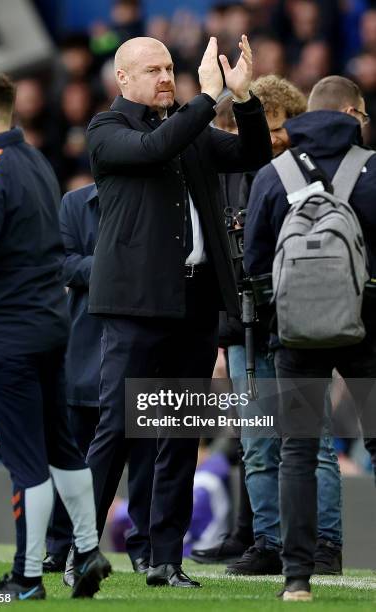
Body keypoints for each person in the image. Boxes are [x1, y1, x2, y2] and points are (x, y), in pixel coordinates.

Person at [85, 35, 272, 587]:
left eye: (170, 68)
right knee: (117, 428)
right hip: (136, 305)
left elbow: (251, 154)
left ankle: (166, 559)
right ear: (123, 79)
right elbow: (152, 150)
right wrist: (205, 101)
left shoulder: (188, 130)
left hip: (195, 302)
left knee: (179, 437)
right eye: (153, 70)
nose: (166, 77)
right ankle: (75, 546)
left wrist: (243, 100)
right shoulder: (105, 130)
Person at [0, 70, 111, 600]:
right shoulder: (34, 158)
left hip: (7, 332)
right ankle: (87, 553)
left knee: (25, 461)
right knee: (62, 448)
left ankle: (27, 576)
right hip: (47, 325)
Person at [191, 77, 342, 576]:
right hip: (243, 326)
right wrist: (221, 332)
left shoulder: (308, 178)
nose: (271, 137)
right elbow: (218, 258)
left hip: (299, 324)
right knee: (258, 444)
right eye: (262, 126)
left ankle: (324, 543)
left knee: (310, 442)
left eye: (279, 126)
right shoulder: (228, 175)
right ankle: (269, 543)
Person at [244, 75, 376, 601]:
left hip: (294, 336)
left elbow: (254, 264)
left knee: (296, 452)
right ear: (350, 114)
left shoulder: (272, 175)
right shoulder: (372, 171)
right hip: (368, 329)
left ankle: (297, 579)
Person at [43, 182, 101, 576]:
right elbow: (59, 263)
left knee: (150, 456)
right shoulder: (76, 203)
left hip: (143, 348)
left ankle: (149, 550)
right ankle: (57, 546)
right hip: (83, 346)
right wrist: (109, 266)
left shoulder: (155, 199)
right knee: (71, 454)